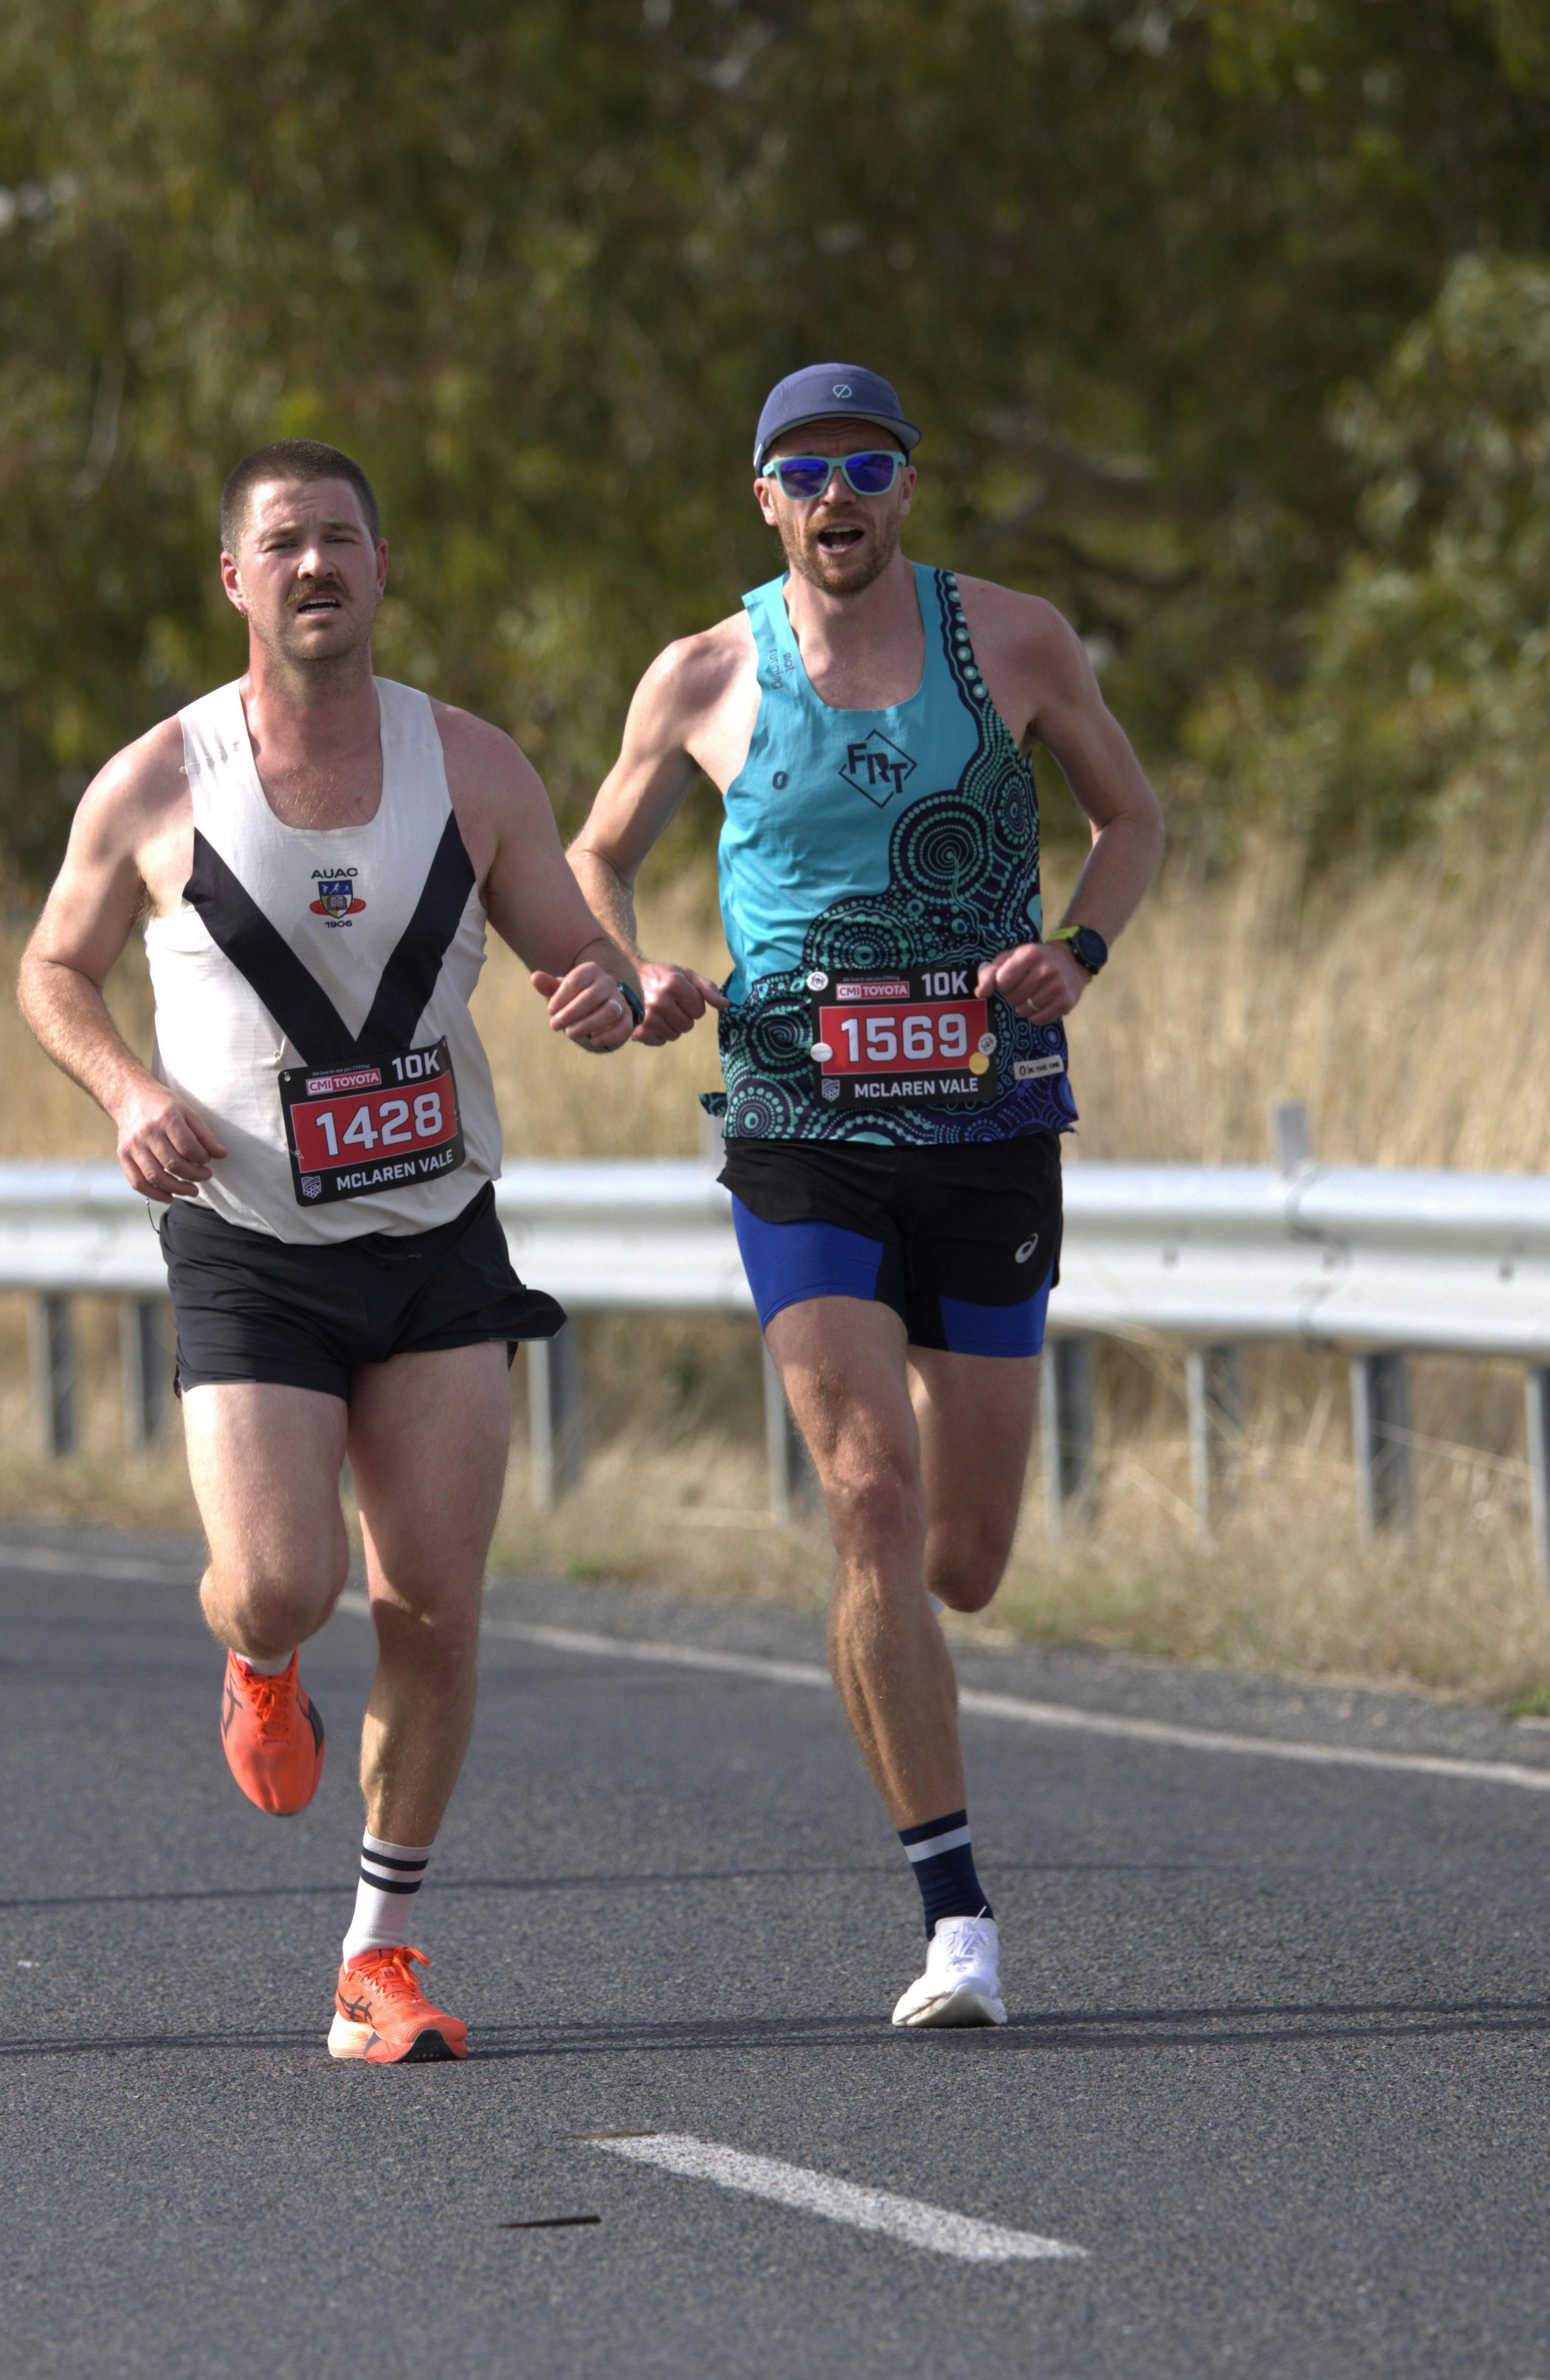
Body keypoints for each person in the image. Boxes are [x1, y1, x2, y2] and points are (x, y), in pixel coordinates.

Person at [19, 441, 665, 2065]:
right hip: (249, 1242)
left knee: (433, 1610)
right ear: (233, 579)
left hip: (438, 1232)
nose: (314, 566)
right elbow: (49, 968)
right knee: (281, 1580)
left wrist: (619, 994)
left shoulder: (474, 764)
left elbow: (575, 958)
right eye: (282, 544)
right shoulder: (156, 780)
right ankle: (259, 1657)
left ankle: (377, 1953)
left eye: (339, 541)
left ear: (383, 568)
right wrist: (127, 1092)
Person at [567, 365, 1165, 2029]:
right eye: (806, 470)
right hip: (798, 1120)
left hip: (986, 1122)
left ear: (907, 486)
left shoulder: (1018, 641)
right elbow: (593, 855)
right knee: (869, 1500)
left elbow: (1131, 817)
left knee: (964, 1559)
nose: (838, 495)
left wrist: (1077, 949)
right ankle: (954, 1916)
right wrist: (635, 967)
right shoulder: (702, 672)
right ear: (764, 498)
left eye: (867, 467)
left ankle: (927, 1569)